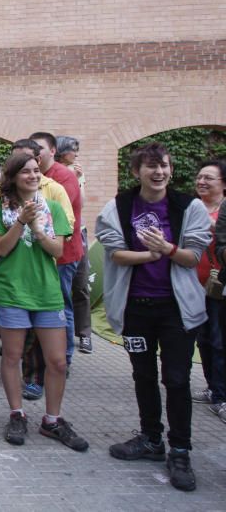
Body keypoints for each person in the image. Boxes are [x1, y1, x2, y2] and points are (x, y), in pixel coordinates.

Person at [98, 143, 209, 491]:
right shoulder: (118, 207)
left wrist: (170, 250)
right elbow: (115, 254)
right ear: (136, 172)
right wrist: (152, 253)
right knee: (142, 375)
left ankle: (180, 450)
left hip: (176, 309)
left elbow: (193, 258)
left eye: (163, 166)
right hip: (136, 308)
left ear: (171, 170)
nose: (158, 172)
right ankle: (150, 438)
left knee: (176, 379)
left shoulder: (188, 207)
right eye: (150, 166)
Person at [0, 153, 86, 451]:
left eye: (35, 171)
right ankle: (17, 414)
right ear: (14, 176)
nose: (32, 175)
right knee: (12, 356)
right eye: (25, 172)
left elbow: (57, 251)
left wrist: (38, 227)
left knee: (56, 361)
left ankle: (52, 420)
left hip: (47, 292)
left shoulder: (53, 206)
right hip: (12, 291)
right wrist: (20, 222)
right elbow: (2, 249)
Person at [30, 132, 84, 372]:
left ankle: (65, 358)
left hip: (63, 254)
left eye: (40, 148)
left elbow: (59, 218)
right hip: (42, 253)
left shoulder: (64, 177)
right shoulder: (36, 174)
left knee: (61, 305)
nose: (36, 152)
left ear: (53, 151)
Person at [193, 160, 226, 420]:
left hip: (215, 286)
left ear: (223, 183)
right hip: (191, 285)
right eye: (200, 177)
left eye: (209, 178)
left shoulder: (223, 210)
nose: (202, 182)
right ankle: (212, 386)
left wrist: (213, 227)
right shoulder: (192, 208)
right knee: (202, 339)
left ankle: (221, 393)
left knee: (217, 340)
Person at [56, 135, 93, 353]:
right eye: (73, 149)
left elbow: (82, 203)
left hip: (79, 233)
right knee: (61, 291)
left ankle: (85, 334)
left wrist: (77, 179)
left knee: (80, 285)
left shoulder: (77, 172)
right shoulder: (52, 174)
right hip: (62, 236)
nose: (76, 154)